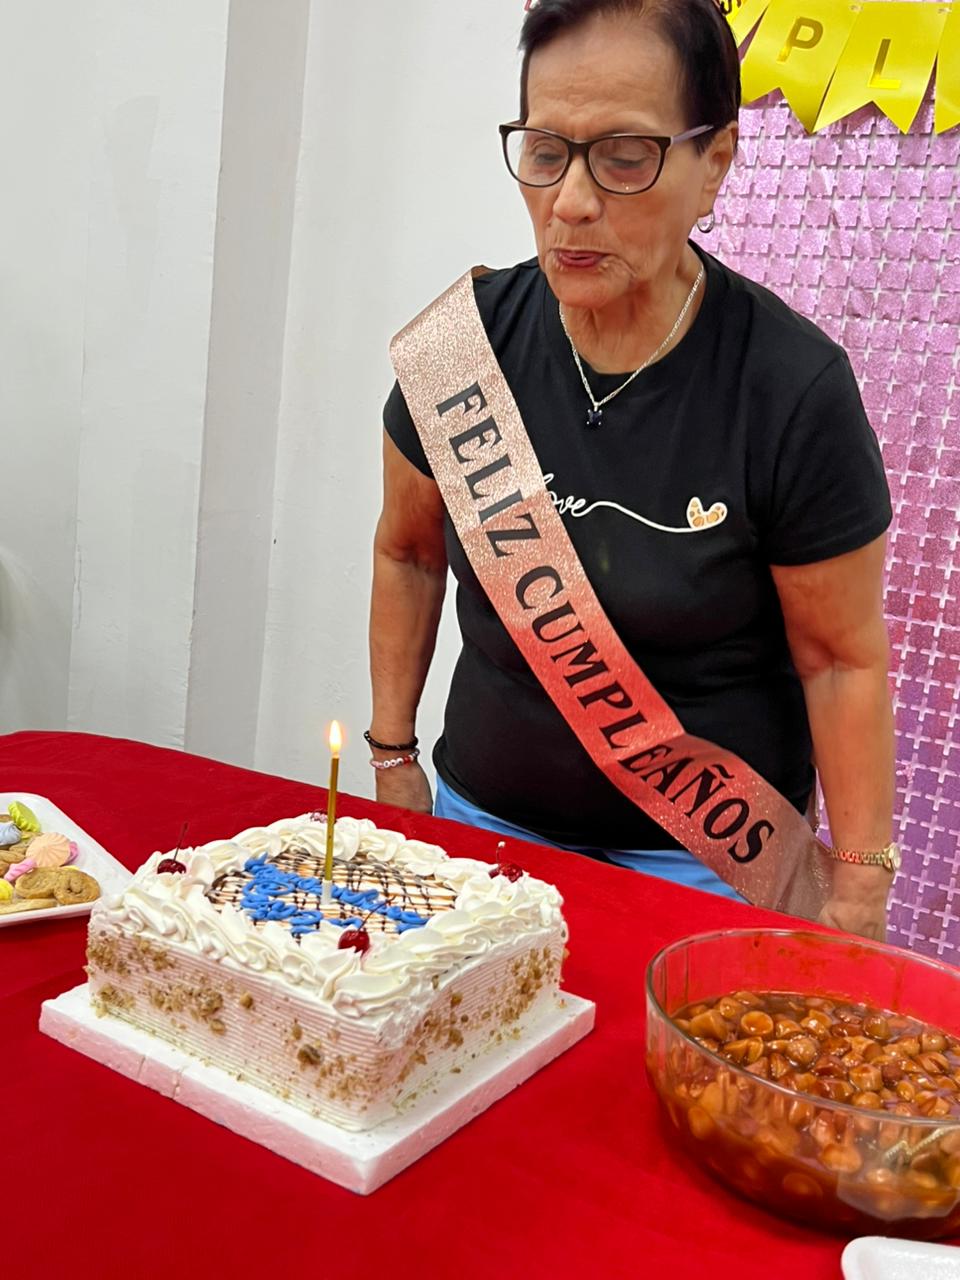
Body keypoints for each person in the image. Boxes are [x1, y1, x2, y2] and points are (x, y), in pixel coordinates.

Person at [369, 0, 895, 939]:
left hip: (705, 864)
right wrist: (392, 755)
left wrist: (857, 890)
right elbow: (407, 555)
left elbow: (839, 660)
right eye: (544, 152)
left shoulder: (790, 387)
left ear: (715, 163)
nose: (570, 202)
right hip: (482, 831)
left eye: (623, 157)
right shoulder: (459, 353)